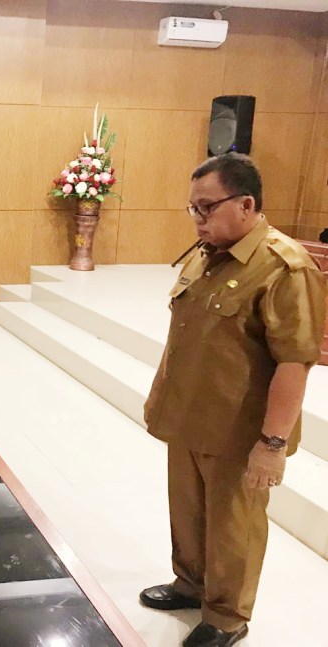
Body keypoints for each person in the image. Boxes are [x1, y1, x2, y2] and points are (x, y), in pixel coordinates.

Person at [140, 153, 327, 647]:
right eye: (193, 208)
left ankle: (227, 617)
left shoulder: (284, 268)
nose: (198, 218)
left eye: (207, 207)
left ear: (246, 204)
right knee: (187, 512)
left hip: (238, 431)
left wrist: (272, 444)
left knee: (233, 526)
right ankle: (191, 584)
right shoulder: (206, 254)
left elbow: (294, 362)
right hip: (189, 416)